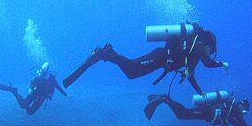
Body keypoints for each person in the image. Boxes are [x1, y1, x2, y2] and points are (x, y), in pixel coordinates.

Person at [63, 22, 229, 96]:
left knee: (131, 74)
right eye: (211, 49)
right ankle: (103, 54)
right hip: (160, 56)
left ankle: (109, 53)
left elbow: (191, 76)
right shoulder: (199, 45)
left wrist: (200, 93)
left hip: (160, 61)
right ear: (208, 43)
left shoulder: (194, 54)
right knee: (132, 69)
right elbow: (208, 63)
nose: (209, 52)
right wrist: (222, 64)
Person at [144, 92, 249, 126]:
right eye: (244, 110)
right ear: (241, 105)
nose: (243, 113)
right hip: (206, 111)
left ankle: (166, 99)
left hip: (206, 114)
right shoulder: (234, 108)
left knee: (183, 114)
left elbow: (234, 122)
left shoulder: (233, 111)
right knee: (183, 114)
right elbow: (241, 121)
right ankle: (166, 99)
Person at [0, 62, 67, 115]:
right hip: (35, 93)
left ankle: (17, 94)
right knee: (23, 105)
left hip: (42, 97)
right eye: (41, 73)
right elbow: (32, 82)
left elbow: (58, 87)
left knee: (30, 112)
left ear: (47, 73)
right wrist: (30, 88)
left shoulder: (52, 79)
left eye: (43, 73)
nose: (41, 75)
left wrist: (66, 95)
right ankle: (13, 91)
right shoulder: (39, 77)